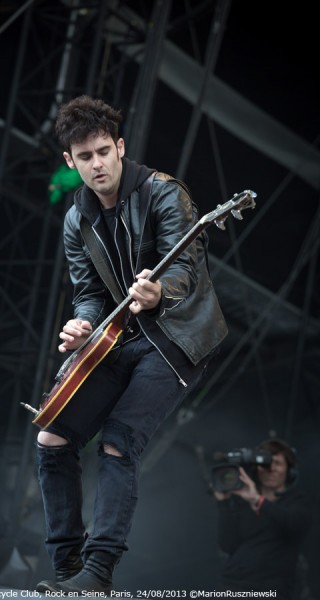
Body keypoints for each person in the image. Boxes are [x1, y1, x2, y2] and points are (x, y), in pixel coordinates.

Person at [35, 95, 228, 594]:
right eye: (85, 157)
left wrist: (160, 290)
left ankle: (98, 573)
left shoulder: (165, 193)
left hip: (176, 339)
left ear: (119, 147)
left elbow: (185, 265)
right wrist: (81, 326)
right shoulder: (76, 219)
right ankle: (67, 569)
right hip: (118, 341)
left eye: (103, 151)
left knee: (120, 440)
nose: (97, 165)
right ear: (69, 162)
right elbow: (90, 293)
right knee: (51, 437)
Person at [214, 438, 312, 599]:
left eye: (278, 463)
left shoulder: (298, 501)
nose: (270, 469)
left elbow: (293, 523)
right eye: (265, 464)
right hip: (231, 586)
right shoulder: (243, 502)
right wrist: (223, 504)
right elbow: (228, 545)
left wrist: (258, 501)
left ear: (290, 470)